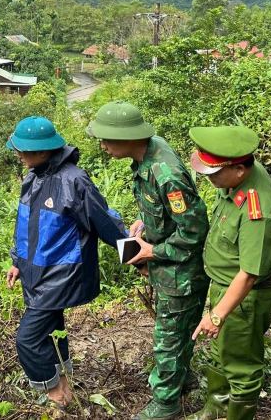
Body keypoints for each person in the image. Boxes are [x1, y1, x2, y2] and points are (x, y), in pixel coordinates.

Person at [87, 101, 210, 420]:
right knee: (177, 332)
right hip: (170, 268)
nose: (102, 145)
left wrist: (150, 252)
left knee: (168, 338)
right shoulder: (148, 154)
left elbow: (194, 231)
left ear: (129, 138)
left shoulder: (164, 173)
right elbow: (165, 215)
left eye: (107, 138)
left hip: (181, 274)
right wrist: (145, 226)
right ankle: (183, 381)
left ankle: (166, 403)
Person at [5, 115, 127, 407]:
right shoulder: (32, 177)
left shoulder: (73, 180)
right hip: (36, 272)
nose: (18, 155)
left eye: (23, 150)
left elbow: (103, 221)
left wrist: (135, 255)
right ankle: (64, 387)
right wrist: (17, 262)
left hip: (60, 275)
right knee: (51, 332)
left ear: (44, 150)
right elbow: (26, 227)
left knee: (28, 340)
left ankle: (54, 396)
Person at [186, 125, 271, 420]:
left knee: (241, 365)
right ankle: (215, 410)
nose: (209, 179)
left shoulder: (259, 211)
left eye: (214, 173)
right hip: (225, 288)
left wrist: (217, 315)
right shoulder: (236, 177)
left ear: (239, 170)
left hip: (244, 298)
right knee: (221, 352)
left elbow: (249, 274)